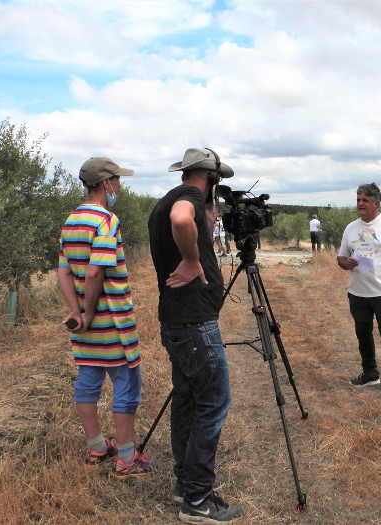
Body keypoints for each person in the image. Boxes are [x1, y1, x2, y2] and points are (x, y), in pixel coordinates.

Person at [148, 147, 244, 524]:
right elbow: (181, 218)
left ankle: (186, 483)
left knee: (187, 400)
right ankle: (199, 502)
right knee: (214, 402)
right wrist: (192, 261)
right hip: (194, 325)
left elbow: (178, 217)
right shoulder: (186, 198)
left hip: (176, 321)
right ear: (211, 177)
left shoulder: (164, 200)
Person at [58, 157, 153, 479]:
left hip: (85, 329)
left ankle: (97, 446)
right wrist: (89, 311)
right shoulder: (106, 219)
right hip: (113, 323)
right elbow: (96, 270)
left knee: (87, 383)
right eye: (118, 181)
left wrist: (76, 312)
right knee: (126, 386)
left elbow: (64, 272)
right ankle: (126, 459)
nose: (120, 187)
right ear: (106, 184)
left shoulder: (70, 221)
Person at [337, 183, 381, 395]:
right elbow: (341, 256)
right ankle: (370, 374)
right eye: (358, 200)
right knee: (363, 335)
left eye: (365, 201)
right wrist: (345, 263)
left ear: (376, 203)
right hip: (357, 293)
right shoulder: (350, 228)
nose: (360, 204)